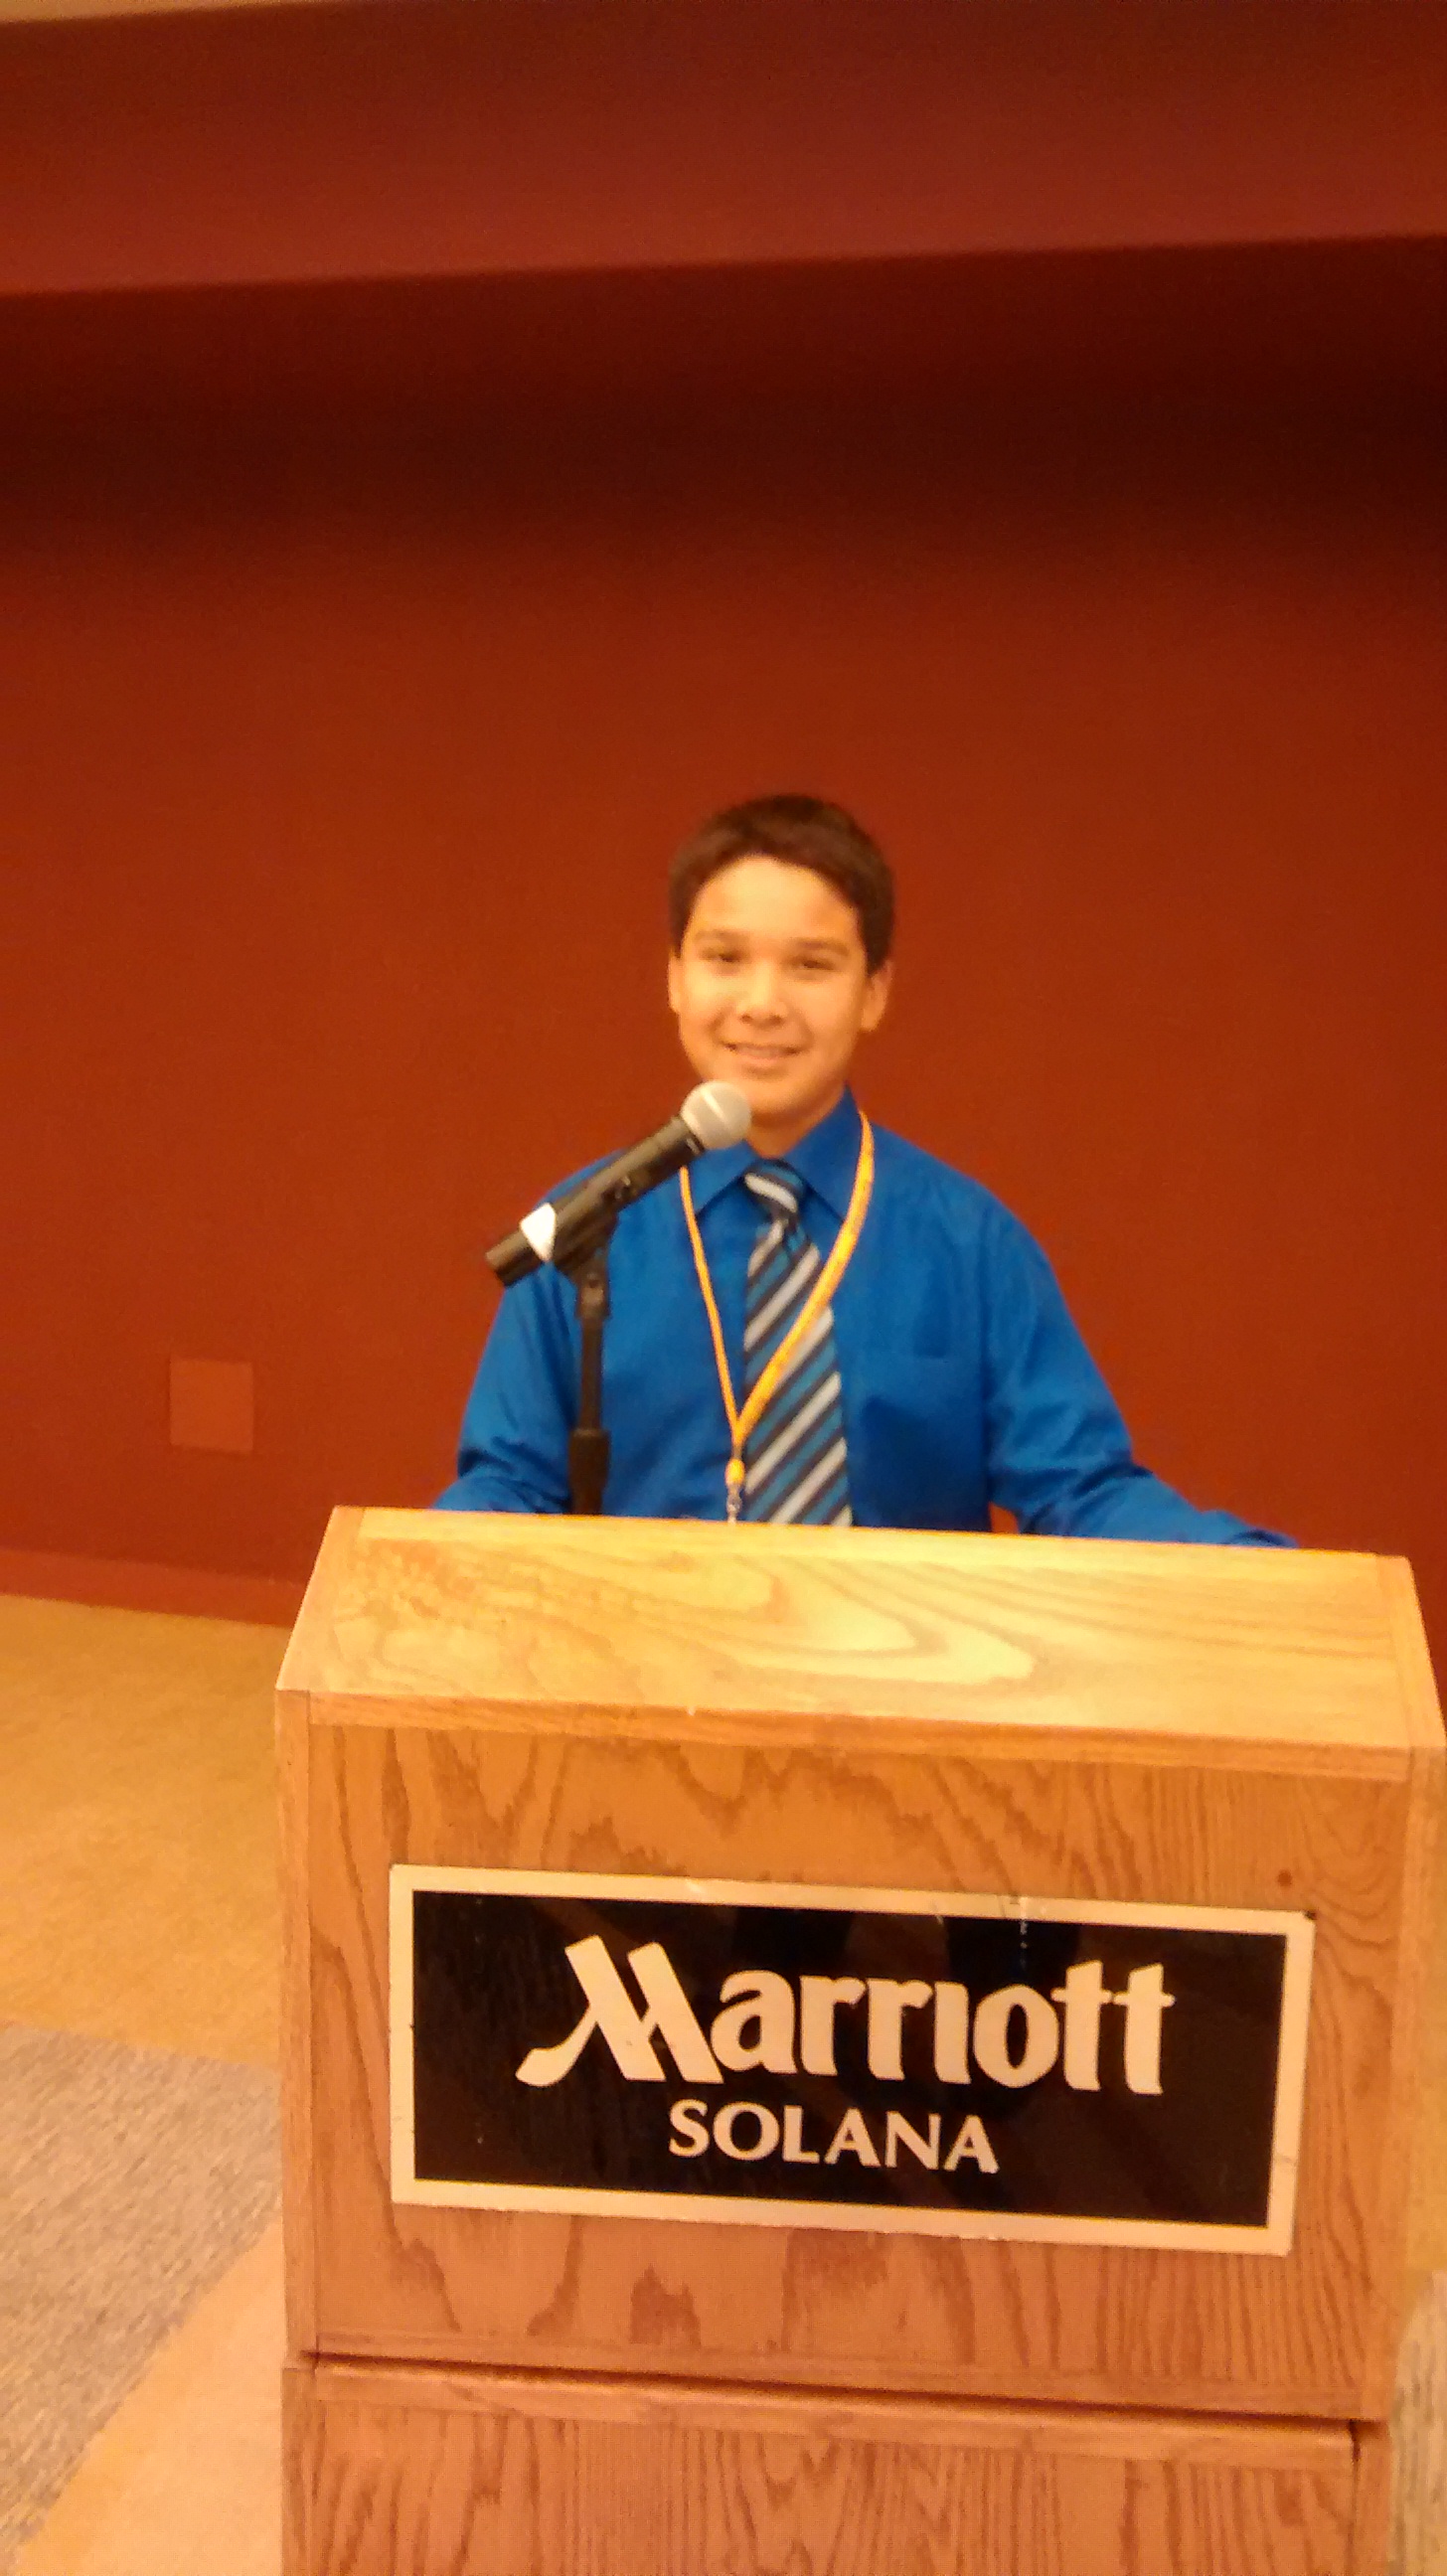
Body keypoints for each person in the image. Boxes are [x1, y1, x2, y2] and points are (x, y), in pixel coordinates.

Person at [437, 793, 1286, 1542]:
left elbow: (1080, 1489)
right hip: (636, 1696)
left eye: (811, 965)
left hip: (900, 1703)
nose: (762, 1003)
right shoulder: (592, 1224)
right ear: (673, 978)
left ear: (875, 990)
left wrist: (1245, 1575)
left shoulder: (970, 1246)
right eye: (724, 958)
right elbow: (506, 1488)